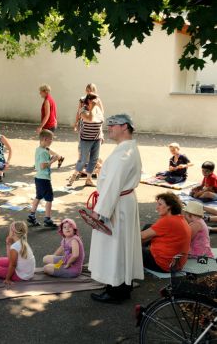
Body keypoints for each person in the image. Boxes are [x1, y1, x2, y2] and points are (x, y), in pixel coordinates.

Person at [88, 114, 143, 304]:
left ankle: (116, 290)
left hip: (117, 204)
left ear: (125, 127)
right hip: (121, 202)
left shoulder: (124, 153)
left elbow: (113, 184)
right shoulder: (126, 149)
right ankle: (119, 285)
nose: (109, 127)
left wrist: (100, 211)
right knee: (120, 245)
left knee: (115, 246)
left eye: (113, 125)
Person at [141, 192, 191, 272]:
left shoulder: (168, 221)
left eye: (160, 204)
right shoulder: (180, 218)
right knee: (148, 227)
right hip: (176, 264)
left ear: (169, 206)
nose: (157, 208)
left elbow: (141, 236)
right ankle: (140, 248)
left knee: (127, 248)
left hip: (164, 265)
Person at [67, 93, 104, 188]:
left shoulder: (97, 109)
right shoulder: (82, 110)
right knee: (83, 160)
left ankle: (89, 179)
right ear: (89, 101)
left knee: (94, 160)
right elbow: (90, 119)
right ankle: (74, 175)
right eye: (95, 100)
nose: (97, 102)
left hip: (97, 138)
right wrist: (92, 108)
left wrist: (101, 135)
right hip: (86, 139)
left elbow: (100, 122)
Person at [27, 129, 59, 228]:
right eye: (50, 140)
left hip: (38, 177)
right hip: (44, 178)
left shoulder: (39, 149)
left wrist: (52, 152)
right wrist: (53, 160)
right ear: (45, 139)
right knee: (49, 199)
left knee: (38, 196)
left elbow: (54, 153)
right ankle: (47, 219)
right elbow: (43, 165)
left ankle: (32, 215)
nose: (51, 142)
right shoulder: (44, 152)